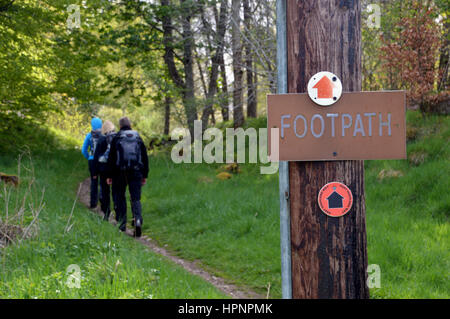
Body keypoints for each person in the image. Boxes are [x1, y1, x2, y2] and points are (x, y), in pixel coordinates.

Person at [106, 117, 149, 237]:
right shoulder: (137, 137)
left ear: (120, 126)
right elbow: (144, 157)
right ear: (130, 125)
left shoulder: (117, 137)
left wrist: (109, 175)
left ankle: (122, 223)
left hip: (119, 172)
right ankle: (138, 220)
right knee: (135, 198)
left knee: (120, 196)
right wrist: (144, 174)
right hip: (136, 172)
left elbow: (111, 158)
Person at [93, 120, 117, 222]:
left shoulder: (101, 140)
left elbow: (96, 157)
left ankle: (106, 213)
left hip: (104, 171)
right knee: (116, 192)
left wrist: (94, 172)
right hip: (116, 170)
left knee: (104, 191)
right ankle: (119, 213)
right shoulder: (118, 138)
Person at [81, 117, 103, 209]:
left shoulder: (89, 136)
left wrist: (89, 157)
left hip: (92, 161)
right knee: (102, 181)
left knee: (94, 181)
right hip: (102, 161)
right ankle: (102, 198)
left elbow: (84, 150)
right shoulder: (104, 135)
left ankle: (93, 203)